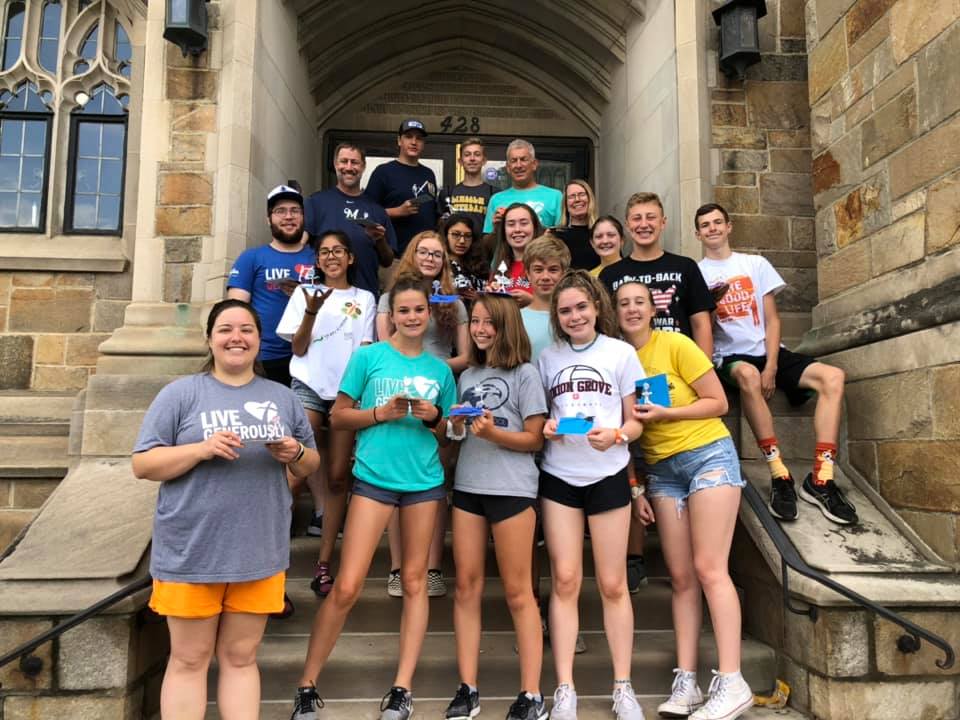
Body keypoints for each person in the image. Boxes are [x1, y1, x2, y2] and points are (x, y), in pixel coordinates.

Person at [132, 299, 319, 720]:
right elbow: (143, 464)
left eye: (247, 330)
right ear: (211, 339)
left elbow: (312, 464)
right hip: (191, 551)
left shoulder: (282, 397)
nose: (237, 337)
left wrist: (295, 451)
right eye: (226, 329)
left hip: (259, 551)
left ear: (259, 338)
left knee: (240, 656)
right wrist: (201, 449)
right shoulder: (181, 393)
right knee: (189, 659)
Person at [290, 274, 457, 720]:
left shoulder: (439, 370)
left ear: (428, 313)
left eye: (418, 310)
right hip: (374, 479)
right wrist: (379, 413)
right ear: (391, 316)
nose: (412, 317)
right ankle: (307, 684)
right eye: (403, 310)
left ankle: (402, 688)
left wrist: (435, 415)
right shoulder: (370, 358)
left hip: (423, 483)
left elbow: (452, 432)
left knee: (417, 583)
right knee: (346, 586)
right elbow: (338, 417)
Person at [616, 279, 753, 720]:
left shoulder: (675, 343)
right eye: (624, 303)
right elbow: (625, 432)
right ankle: (687, 679)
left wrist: (668, 413)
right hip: (661, 471)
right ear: (614, 311)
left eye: (639, 302)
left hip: (707, 456)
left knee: (710, 568)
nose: (632, 309)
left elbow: (717, 403)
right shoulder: (619, 357)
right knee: (681, 578)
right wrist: (636, 486)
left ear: (652, 308)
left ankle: (733, 682)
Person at [695, 203, 857, 525]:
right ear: (697, 233)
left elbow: (772, 319)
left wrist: (772, 365)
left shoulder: (754, 264)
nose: (712, 228)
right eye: (705, 225)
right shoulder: (697, 273)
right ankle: (779, 473)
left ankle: (822, 478)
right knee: (749, 374)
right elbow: (701, 326)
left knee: (833, 377)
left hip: (770, 351)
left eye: (717, 222)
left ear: (729, 226)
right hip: (730, 357)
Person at [538, 270, 647, 720]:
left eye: (581, 307)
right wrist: (545, 427)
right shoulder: (546, 357)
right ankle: (565, 688)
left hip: (607, 474)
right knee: (564, 580)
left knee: (612, 582)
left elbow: (639, 419)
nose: (574, 316)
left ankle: (623, 687)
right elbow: (542, 416)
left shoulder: (622, 353)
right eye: (565, 310)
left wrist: (619, 435)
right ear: (557, 316)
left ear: (597, 307)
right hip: (560, 475)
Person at [443, 294, 548, 720]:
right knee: (466, 588)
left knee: (518, 592)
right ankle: (468, 688)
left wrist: (493, 435)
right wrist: (454, 427)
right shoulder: (467, 375)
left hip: (513, 490)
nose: (481, 329)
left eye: (489, 323)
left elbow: (534, 439)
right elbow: (458, 436)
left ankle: (532, 695)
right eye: (478, 322)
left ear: (507, 327)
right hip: (468, 487)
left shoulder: (526, 374)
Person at [276, 230, 377, 595]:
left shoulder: (365, 298)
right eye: (324, 252)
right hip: (307, 386)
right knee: (296, 468)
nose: (331, 257)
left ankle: (323, 564)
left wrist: (349, 398)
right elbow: (298, 348)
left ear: (350, 258)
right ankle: (269, 566)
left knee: (337, 477)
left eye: (338, 251)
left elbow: (365, 352)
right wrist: (310, 311)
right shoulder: (304, 292)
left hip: (347, 392)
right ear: (317, 260)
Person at [377, 231, 470, 598]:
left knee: (436, 482)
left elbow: (466, 355)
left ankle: (432, 566)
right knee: (397, 480)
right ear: (411, 255)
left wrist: (432, 369)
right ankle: (398, 569)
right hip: (397, 390)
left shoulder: (454, 304)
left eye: (437, 254)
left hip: (439, 390)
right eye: (424, 252)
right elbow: (385, 346)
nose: (431, 258)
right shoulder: (390, 298)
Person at [598, 192, 715, 358]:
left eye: (651, 217)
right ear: (627, 224)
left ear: (663, 222)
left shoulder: (685, 267)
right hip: (630, 366)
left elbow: (701, 325)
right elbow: (604, 329)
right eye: (637, 218)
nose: (644, 224)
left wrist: (704, 371)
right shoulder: (609, 275)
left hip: (678, 364)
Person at [227, 185, 317, 386]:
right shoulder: (251, 257)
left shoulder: (319, 258)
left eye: (295, 211)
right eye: (280, 211)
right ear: (268, 219)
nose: (288, 216)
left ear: (303, 218)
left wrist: (302, 294)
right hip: (264, 358)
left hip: (311, 357)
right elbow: (234, 309)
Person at [303, 142, 396, 297]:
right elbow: (301, 247)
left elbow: (388, 261)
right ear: (335, 164)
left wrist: (380, 240)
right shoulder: (316, 202)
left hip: (365, 297)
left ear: (363, 166)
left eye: (354, 162)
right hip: (323, 296)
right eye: (344, 161)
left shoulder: (377, 210)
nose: (349, 167)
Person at [366, 119, 439, 256]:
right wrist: (397, 211)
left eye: (419, 138)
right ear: (399, 141)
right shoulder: (383, 172)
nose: (414, 142)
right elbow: (367, 213)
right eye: (408, 136)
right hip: (394, 257)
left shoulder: (429, 174)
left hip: (425, 256)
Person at [482, 139, 563, 234]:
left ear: (534, 164)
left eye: (523, 159)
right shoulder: (496, 200)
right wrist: (496, 229)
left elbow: (561, 240)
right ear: (508, 167)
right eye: (514, 161)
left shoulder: (555, 197)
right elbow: (487, 244)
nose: (518, 165)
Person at [520, 234, 571, 362]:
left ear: (564, 273)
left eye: (553, 270)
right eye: (538, 270)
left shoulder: (576, 317)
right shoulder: (516, 319)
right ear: (528, 274)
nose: (545, 277)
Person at [439, 137, 498, 235]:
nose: (472, 159)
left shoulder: (495, 194)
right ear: (460, 161)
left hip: (483, 249)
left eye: (477, 154)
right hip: (453, 249)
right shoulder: (447, 193)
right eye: (467, 155)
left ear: (484, 160)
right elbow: (440, 228)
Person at [489, 202, 543, 305]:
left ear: (534, 227)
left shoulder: (547, 266)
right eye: (511, 224)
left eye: (523, 223)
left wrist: (531, 301)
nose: (517, 229)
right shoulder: (499, 267)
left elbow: (560, 305)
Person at [551, 179, 599, 271]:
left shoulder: (602, 233)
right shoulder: (556, 236)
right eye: (572, 196)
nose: (577, 199)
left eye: (582, 194)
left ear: (590, 199)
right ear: (565, 204)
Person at [442, 213, 488, 302]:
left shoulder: (479, 264)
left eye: (467, 236)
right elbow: (429, 297)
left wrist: (481, 298)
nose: (462, 241)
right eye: (456, 234)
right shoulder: (438, 264)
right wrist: (452, 298)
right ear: (446, 235)